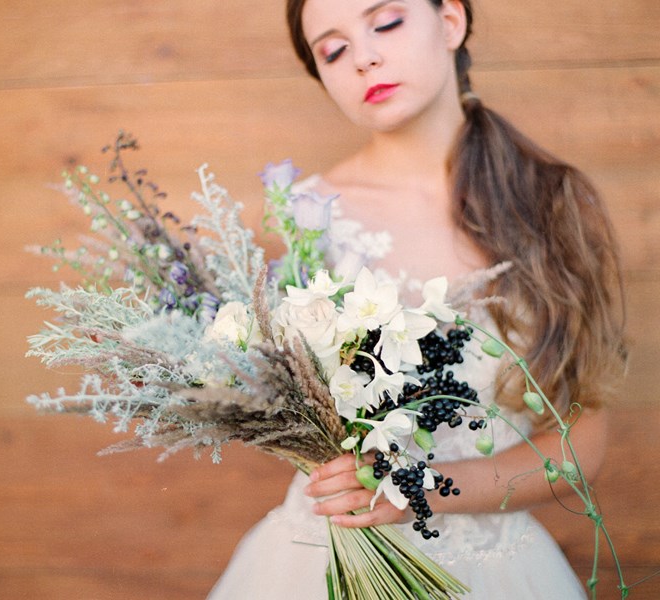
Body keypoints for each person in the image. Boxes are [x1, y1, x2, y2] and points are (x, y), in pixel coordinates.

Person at [208, 1, 626, 598]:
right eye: (333, 49)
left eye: (385, 22)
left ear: (450, 20)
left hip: (495, 566)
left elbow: (580, 442)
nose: (365, 57)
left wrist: (422, 487)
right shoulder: (303, 217)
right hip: (321, 561)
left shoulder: (553, 205)